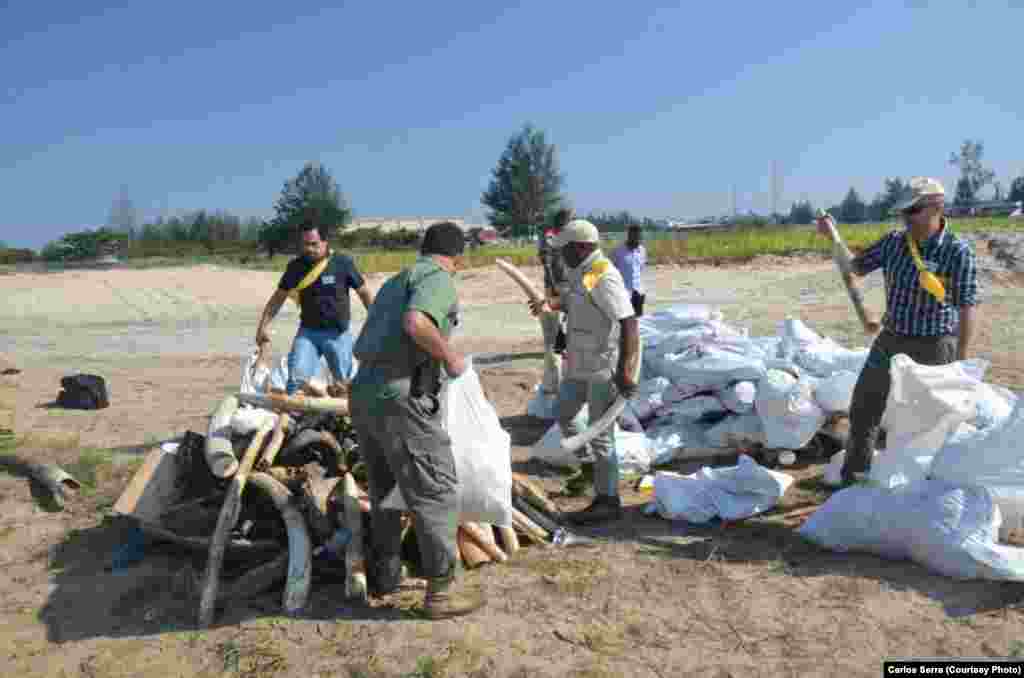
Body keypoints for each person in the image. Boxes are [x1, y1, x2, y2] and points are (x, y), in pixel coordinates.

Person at [349, 221, 484, 620]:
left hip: (364, 394)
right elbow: (417, 323)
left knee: (385, 488)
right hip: (398, 394)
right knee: (435, 490)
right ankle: (440, 594)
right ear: (457, 257)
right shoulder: (437, 278)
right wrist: (450, 356)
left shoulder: (396, 280)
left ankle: (386, 573)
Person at [814, 177, 979, 485]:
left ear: (937, 207)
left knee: (930, 421)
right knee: (864, 408)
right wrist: (832, 237)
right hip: (890, 341)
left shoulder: (958, 252)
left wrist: (961, 361)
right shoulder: (893, 243)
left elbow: (967, 308)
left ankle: (926, 486)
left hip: (935, 346)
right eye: (903, 211)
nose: (906, 218)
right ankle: (854, 482)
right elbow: (855, 267)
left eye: (913, 210)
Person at [530, 219, 641, 525]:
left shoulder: (604, 275)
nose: (560, 255)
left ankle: (608, 500)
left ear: (580, 247)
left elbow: (629, 322)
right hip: (579, 364)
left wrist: (626, 370)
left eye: (564, 249)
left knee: (600, 433)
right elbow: (574, 301)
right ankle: (591, 471)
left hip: (603, 369)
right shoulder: (585, 272)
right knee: (563, 413)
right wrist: (551, 303)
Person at [255, 221, 373, 396]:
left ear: (325, 242)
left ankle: (342, 417)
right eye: (304, 244)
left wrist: (376, 322)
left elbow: (364, 294)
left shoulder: (343, 263)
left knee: (342, 387)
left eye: (313, 244)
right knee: (296, 381)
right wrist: (262, 326)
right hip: (307, 334)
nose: (308, 249)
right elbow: (277, 299)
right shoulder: (295, 267)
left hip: (338, 334)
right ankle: (294, 418)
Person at [539, 208, 574, 353]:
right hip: (556, 283)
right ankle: (556, 347)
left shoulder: (567, 236)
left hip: (568, 282)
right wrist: (553, 285)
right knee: (555, 317)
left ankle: (564, 345)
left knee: (570, 314)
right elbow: (546, 261)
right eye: (570, 219)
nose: (571, 222)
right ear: (562, 220)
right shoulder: (550, 236)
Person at [610, 224, 648, 316]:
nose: (638, 240)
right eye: (635, 237)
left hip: (638, 293)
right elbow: (610, 269)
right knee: (624, 323)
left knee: (638, 322)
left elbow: (640, 269)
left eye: (640, 237)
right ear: (629, 236)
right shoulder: (618, 251)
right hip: (623, 294)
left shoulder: (642, 250)